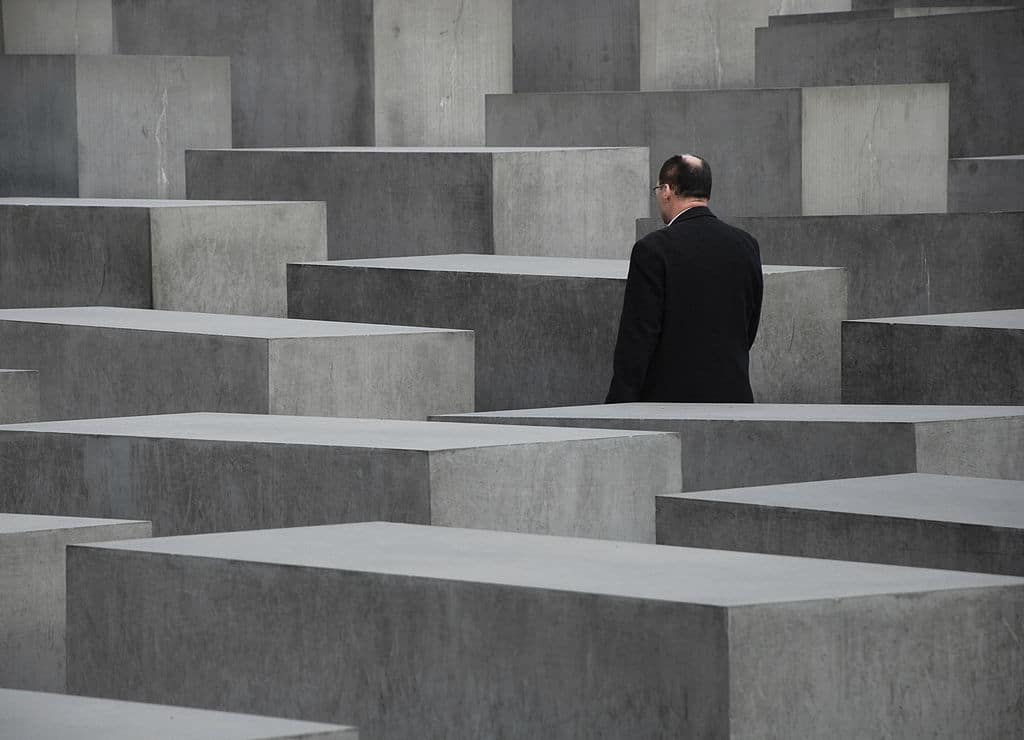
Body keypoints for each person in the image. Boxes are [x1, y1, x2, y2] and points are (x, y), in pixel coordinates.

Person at [606, 154, 763, 403]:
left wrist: (618, 406)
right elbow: (749, 325)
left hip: (668, 404)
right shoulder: (746, 245)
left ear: (667, 191)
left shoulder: (653, 250)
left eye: (658, 189)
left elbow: (637, 338)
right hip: (734, 401)